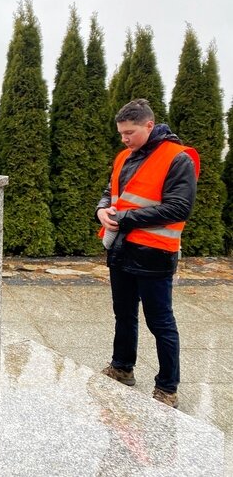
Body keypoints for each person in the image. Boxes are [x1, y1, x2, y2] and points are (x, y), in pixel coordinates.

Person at [97, 99, 199, 408]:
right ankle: (121, 367)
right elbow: (110, 192)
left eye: (130, 132)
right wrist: (101, 210)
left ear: (149, 126)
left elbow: (180, 207)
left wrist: (125, 219)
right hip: (121, 250)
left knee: (160, 322)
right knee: (124, 314)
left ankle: (167, 387)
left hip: (154, 254)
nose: (125, 139)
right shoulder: (123, 157)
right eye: (121, 134)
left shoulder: (177, 158)